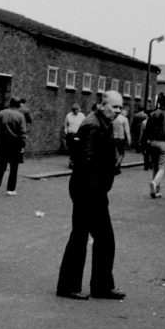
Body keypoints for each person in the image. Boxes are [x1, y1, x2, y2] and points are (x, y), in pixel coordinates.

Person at [56, 90, 127, 301]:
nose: (117, 111)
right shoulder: (94, 125)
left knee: (101, 238)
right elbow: (87, 161)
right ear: (103, 105)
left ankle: (99, 285)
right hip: (89, 190)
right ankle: (71, 286)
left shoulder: (100, 123)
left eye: (119, 107)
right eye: (114, 106)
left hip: (92, 189)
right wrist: (97, 189)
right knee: (83, 236)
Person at [143, 93, 165, 198]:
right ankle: (155, 183)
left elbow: (147, 129)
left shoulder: (152, 114)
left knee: (155, 166)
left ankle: (156, 191)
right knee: (163, 167)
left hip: (152, 141)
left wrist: (146, 141)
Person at [0, 97, 27, 196]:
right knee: (14, 167)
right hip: (15, 144)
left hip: (2, 142)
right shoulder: (20, 116)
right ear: (18, 105)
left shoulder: (1, 113)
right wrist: (23, 144)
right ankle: (10, 189)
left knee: (1, 165)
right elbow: (23, 132)